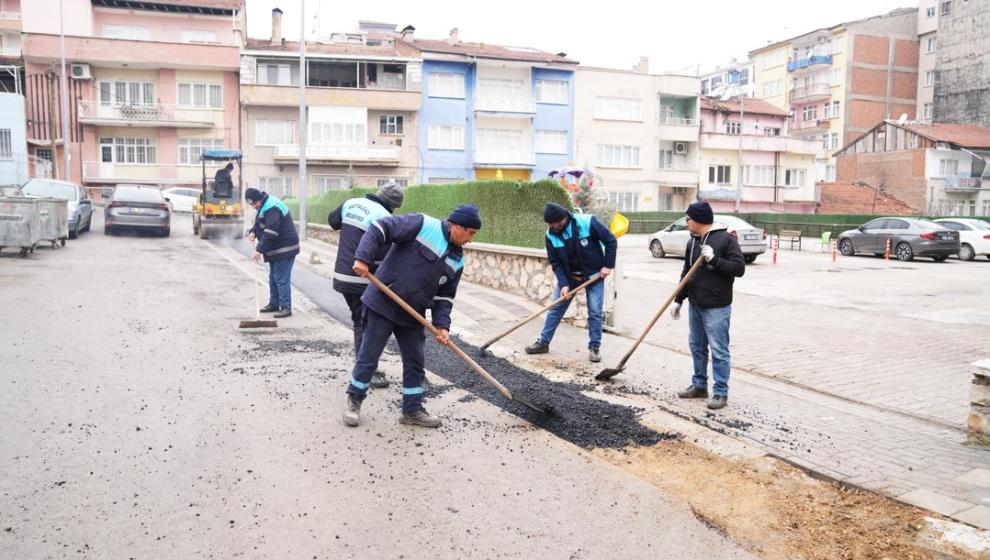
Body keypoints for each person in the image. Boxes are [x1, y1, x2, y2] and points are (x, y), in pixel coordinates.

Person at [342, 204, 481, 428]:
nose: (471, 240)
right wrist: (363, 258)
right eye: (471, 233)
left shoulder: (457, 260)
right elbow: (379, 228)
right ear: (458, 226)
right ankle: (354, 401)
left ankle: (412, 410)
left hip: (413, 314)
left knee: (415, 361)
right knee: (369, 356)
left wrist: (442, 326)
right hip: (383, 303)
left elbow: (444, 297)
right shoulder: (423, 224)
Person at [327, 182, 405, 389]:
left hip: (342, 275)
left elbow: (332, 221)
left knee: (359, 321)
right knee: (366, 324)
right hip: (362, 277)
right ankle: (366, 372)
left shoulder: (351, 203)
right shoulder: (384, 217)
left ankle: (364, 368)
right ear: (393, 205)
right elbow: (386, 253)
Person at [670, 201, 745, 410]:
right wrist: (678, 299)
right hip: (695, 304)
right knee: (697, 347)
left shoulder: (726, 240)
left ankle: (720, 392)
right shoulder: (692, 242)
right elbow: (687, 273)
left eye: (689, 219)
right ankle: (699, 385)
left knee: (719, 350)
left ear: (700, 220)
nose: (686, 222)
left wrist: (714, 260)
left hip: (716, 306)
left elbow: (739, 268)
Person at [525, 202, 617, 363]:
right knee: (555, 309)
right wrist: (564, 283)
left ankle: (594, 347)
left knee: (595, 312)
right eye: (550, 224)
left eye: (556, 223)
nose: (553, 226)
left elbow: (610, 241)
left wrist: (608, 265)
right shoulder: (551, 235)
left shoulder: (587, 222)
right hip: (570, 278)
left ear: (564, 217)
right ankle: (543, 343)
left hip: (594, 276)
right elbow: (555, 262)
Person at [246, 187, 299, 319]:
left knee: (281, 279)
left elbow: (271, 232)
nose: (253, 207)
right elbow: (260, 224)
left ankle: (286, 307)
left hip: (285, 247)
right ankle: (274, 304)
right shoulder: (263, 205)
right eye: (251, 204)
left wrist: (258, 250)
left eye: (254, 203)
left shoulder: (272, 207)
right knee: (273, 278)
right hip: (276, 248)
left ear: (259, 199)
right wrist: (253, 231)